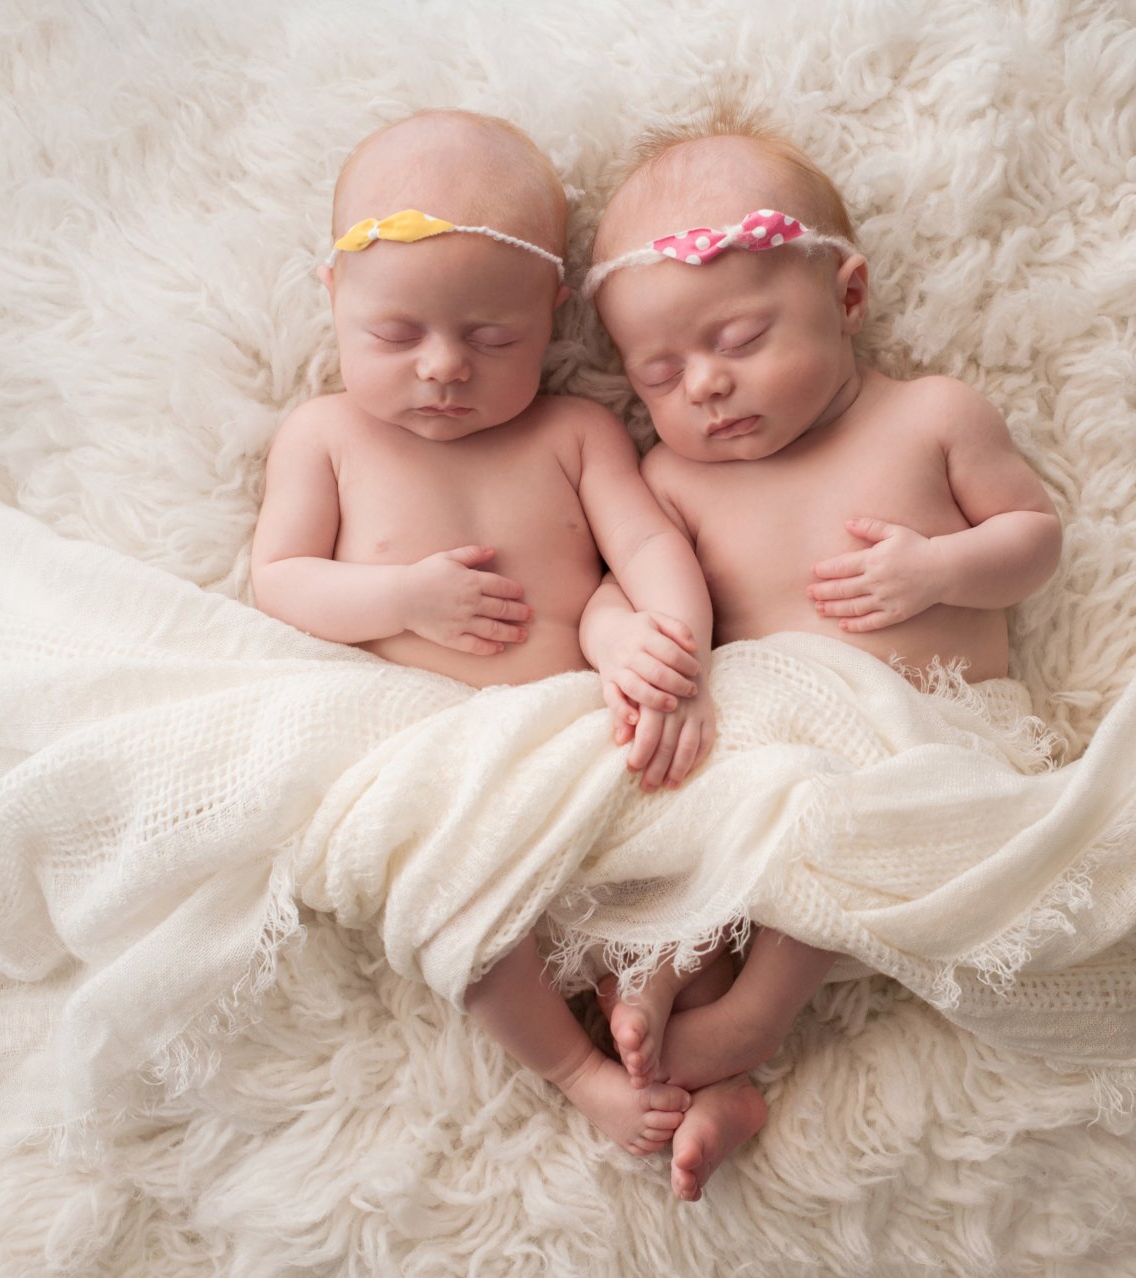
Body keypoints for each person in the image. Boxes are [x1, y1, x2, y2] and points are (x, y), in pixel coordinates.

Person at [249, 109, 737, 1193]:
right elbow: (279, 583)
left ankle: (697, 1047)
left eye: (494, 338)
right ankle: (578, 1070)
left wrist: (674, 650)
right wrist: (402, 596)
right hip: (430, 756)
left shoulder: (575, 432)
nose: (443, 369)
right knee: (458, 914)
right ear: (333, 295)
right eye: (396, 336)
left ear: (551, 314)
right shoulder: (324, 436)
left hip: (579, 735)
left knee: (705, 858)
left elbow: (650, 542)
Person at [579, 109, 1064, 1199]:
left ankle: (762, 1013)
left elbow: (1033, 542)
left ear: (847, 298)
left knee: (824, 837)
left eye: (739, 341)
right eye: (658, 372)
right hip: (755, 736)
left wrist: (940, 572)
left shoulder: (930, 417)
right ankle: (680, 1014)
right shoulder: (675, 481)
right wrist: (621, 644)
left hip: (917, 739)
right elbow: (612, 595)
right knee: (677, 824)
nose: (702, 384)